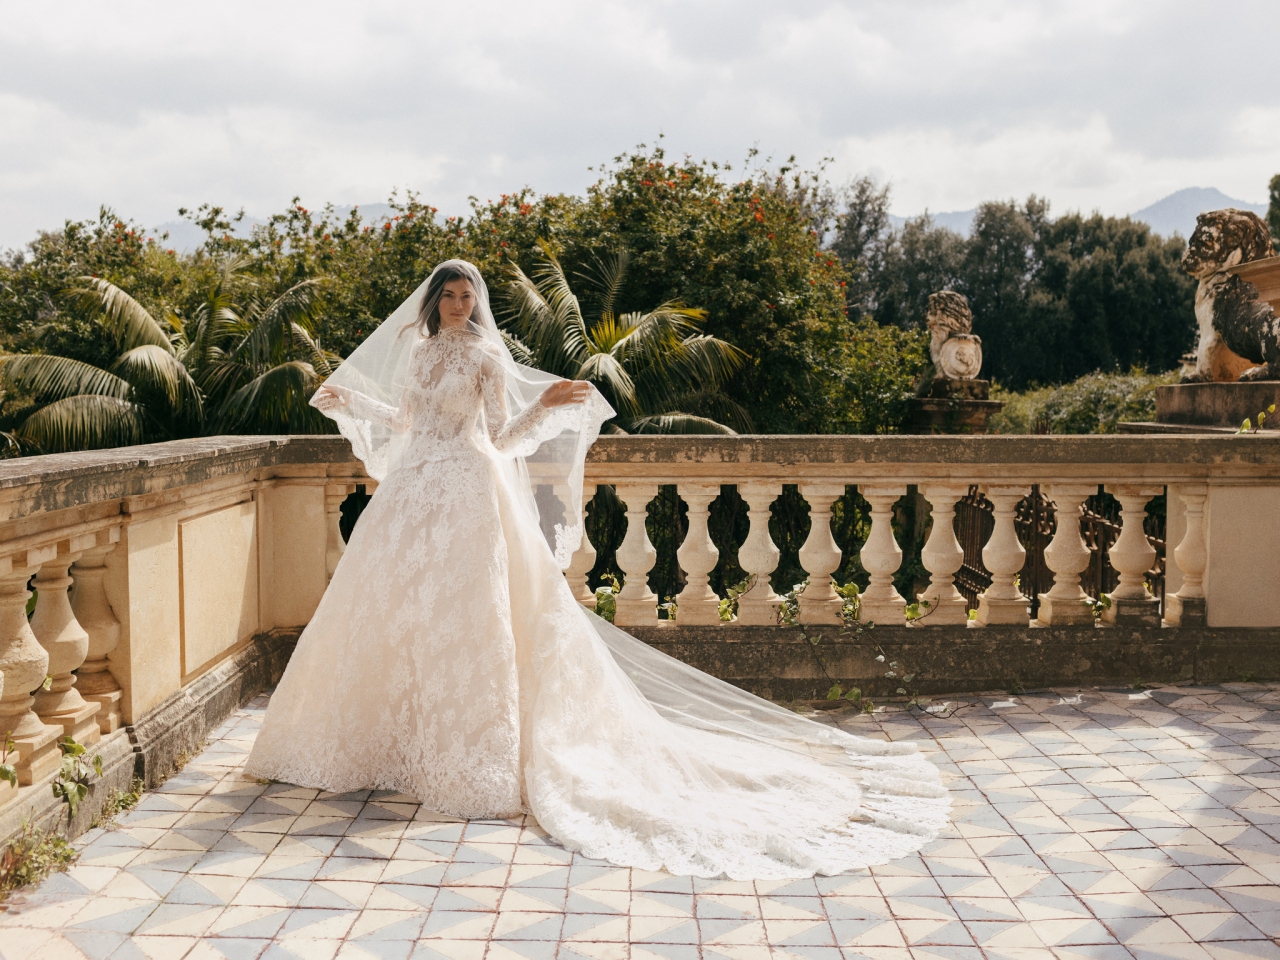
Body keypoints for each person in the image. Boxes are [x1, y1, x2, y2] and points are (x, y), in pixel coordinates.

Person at [245, 259, 949, 880]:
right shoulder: (419, 354)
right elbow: (403, 424)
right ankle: (390, 743)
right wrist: (350, 402)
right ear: (433, 303)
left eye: (467, 296)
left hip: (468, 492)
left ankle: (470, 758)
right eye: (450, 296)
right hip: (413, 496)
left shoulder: (486, 357)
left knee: (470, 616)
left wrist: (544, 405)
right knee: (396, 612)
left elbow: (499, 438)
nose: (460, 304)